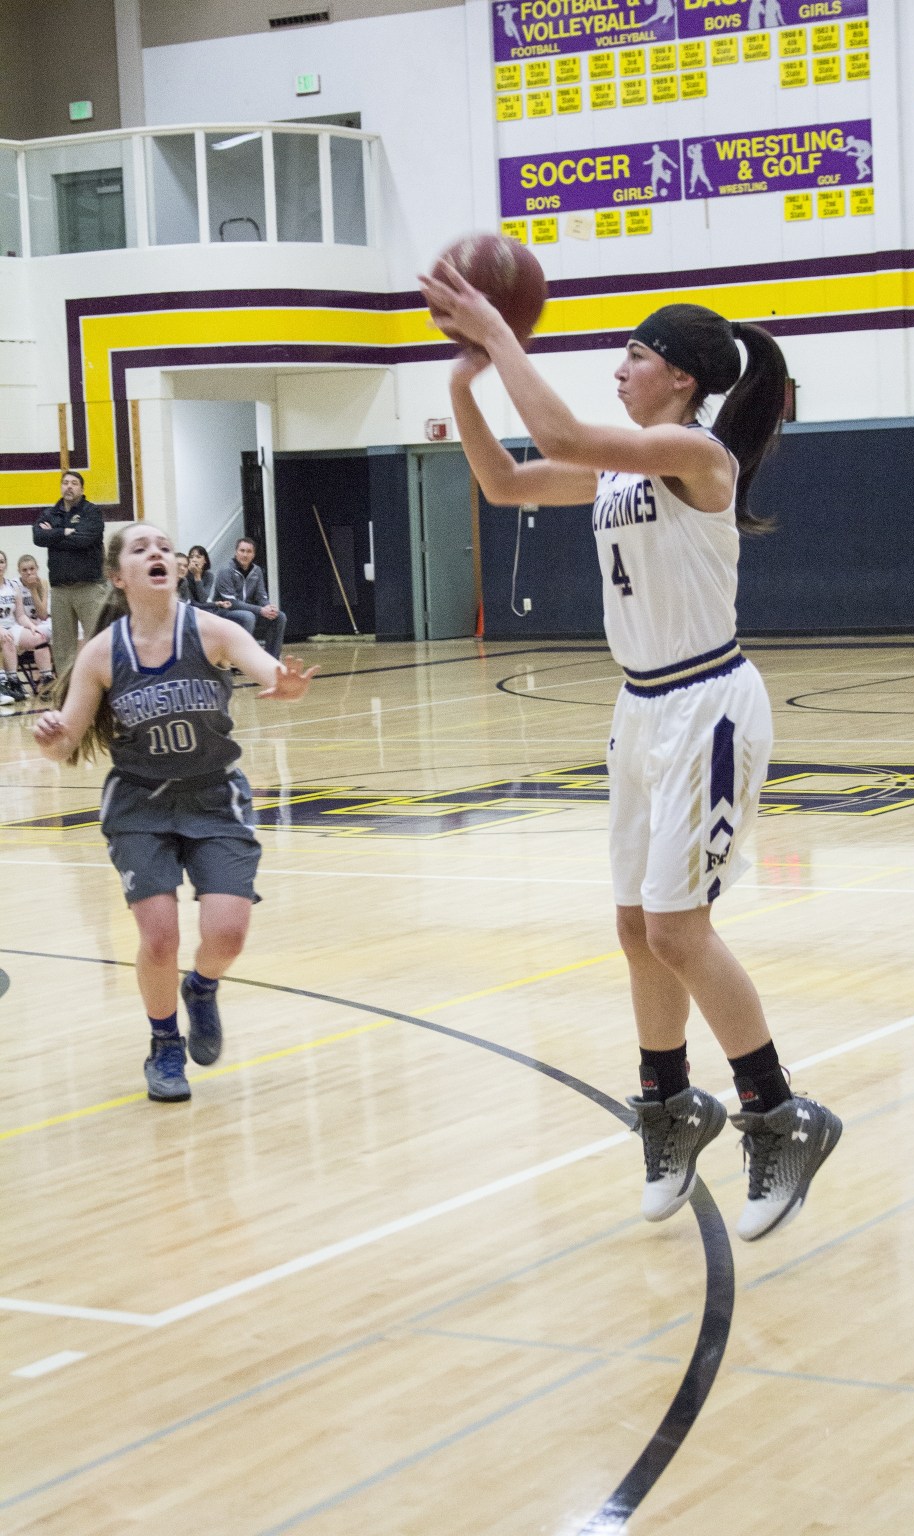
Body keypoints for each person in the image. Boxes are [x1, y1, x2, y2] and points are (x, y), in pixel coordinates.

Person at [418, 264, 842, 1241]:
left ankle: (780, 1113)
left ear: (684, 378)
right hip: (640, 708)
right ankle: (668, 1103)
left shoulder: (696, 456)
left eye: (635, 355)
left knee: (677, 929)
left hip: (709, 704)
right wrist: (458, 386)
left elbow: (558, 435)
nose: (619, 368)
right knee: (632, 923)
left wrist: (497, 331)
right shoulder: (623, 466)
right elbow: (506, 478)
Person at [33, 523, 318, 1103]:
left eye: (163, 547)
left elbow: (266, 669)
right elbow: (67, 742)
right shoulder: (102, 653)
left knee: (227, 935)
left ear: (178, 567)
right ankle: (164, 1045)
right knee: (158, 938)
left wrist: (283, 685)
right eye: (140, 550)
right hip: (141, 802)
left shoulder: (211, 629)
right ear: (120, 576)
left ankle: (203, 987)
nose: (157, 554)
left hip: (215, 797)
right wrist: (50, 739)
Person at [32, 470, 108, 675]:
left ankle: (103, 688)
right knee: (63, 646)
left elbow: (85, 540)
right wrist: (65, 532)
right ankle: (66, 691)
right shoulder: (51, 512)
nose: (69, 486)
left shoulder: (91, 512)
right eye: (65, 482)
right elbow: (38, 537)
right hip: (60, 590)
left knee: (97, 639)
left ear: (82, 489)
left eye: (74, 483)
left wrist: (53, 536)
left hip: (89, 587)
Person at [213, 537, 287, 657]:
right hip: (223, 612)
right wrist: (260, 610)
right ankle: (243, 659)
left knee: (279, 616)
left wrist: (268, 607)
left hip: (249, 612)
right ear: (236, 552)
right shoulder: (225, 571)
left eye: (249, 551)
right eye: (242, 551)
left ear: (253, 555)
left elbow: (261, 596)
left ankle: (271, 659)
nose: (245, 554)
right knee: (248, 617)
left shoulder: (257, 571)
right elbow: (231, 602)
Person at [0, 550, 49, 703]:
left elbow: (20, 615)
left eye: (1, 561)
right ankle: (12, 682)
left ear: (6, 564)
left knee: (39, 638)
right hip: (1, 629)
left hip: (11, 626)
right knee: (7, 639)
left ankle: (47, 680)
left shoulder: (12, 585)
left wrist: (31, 626)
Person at [16, 554, 55, 687]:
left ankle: (56, 677)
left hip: (42, 623)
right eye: (24, 570)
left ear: (37, 568)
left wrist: (33, 590)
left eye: (32, 569)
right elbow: (18, 615)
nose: (29, 572)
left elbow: (43, 615)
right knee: (39, 635)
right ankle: (46, 677)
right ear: (19, 572)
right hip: (25, 626)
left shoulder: (43, 583)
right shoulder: (15, 585)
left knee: (61, 631)